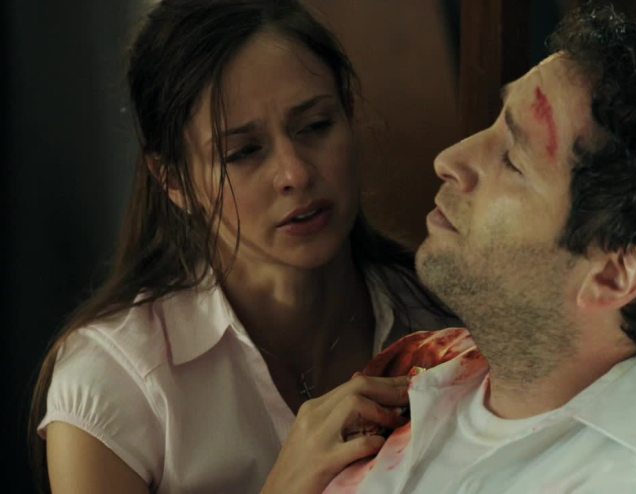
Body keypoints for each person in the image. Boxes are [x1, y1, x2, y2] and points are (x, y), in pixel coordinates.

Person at [325, 5, 636, 493]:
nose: (449, 160)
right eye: (496, 121)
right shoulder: (431, 375)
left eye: (513, 160)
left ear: (612, 275)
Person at [28, 1, 455, 493]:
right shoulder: (115, 381)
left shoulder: (441, 321)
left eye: (316, 126)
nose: (295, 173)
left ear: (350, 114)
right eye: (243, 152)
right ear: (173, 181)